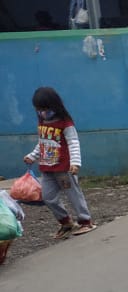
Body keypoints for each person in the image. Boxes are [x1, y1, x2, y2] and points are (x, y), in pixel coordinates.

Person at [24, 86, 95, 237]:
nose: (42, 112)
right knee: (48, 197)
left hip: (64, 168)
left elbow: (73, 143)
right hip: (46, 168)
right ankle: (65, 222)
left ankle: (85, 221)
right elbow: (43, 142)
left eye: (45, 109)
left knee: (73, 195)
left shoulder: (65, 123)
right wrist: (33, 155)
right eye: (39, 109)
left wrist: (75, 163)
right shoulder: (42, 122)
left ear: (54, 105)